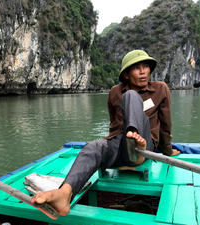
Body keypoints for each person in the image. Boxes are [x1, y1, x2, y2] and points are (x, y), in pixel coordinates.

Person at [31, 49, 180, 217]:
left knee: (131, 96)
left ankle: (135, 143)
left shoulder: (160, 89)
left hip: (146, 142)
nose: (143, 71)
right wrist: (106, 147)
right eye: (136, 68)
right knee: (93, 147)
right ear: (125, 74)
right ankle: (64, 194)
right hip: (120, 140)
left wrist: (167, 150)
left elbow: (165, 125)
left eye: (146, 66)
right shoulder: (115, 92)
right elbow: (114, 123)